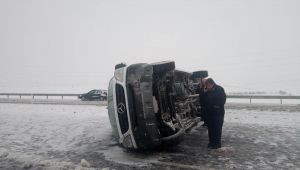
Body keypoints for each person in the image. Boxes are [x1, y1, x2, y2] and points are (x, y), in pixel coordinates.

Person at [203, 78, 226, 149]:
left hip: (218, 113)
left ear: (212, 83)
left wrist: (215, 105)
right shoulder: (206, 91)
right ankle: (211, 143)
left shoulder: (220, 89)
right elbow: (203, 101)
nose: (206, 86)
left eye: (207, 85)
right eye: (205, 85)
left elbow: (223, 100)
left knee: (217, 129)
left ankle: (217, 144)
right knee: (210, 129)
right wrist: (203, 92)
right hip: (209, 113)